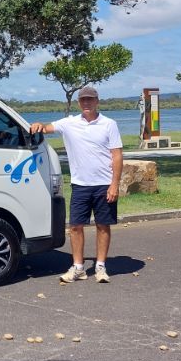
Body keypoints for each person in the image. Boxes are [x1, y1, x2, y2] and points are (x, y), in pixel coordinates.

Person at [30, 86, 123, 283]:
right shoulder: (69, 123)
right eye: (83, 100)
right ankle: (78, 268)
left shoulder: (109, 124)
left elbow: (117, 156)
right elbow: (47, 128)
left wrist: (114, 185)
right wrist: (38, 124)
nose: (87, 103)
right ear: (79, 103)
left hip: (103, 184)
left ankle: (100, 267)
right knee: (75, 227)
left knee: (103, 226)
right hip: (80, 184)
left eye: (90, 99)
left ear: (97, 101)